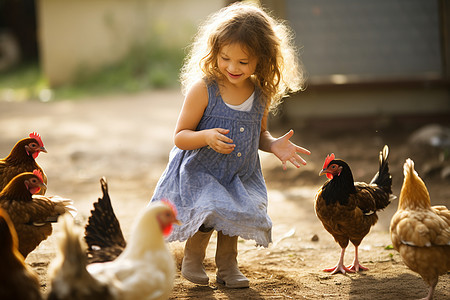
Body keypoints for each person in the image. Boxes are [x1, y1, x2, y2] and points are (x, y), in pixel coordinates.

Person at [149, 2, 310, 288]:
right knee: (212, 206)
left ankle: (227, 266)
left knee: (233, 213)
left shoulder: (261, 94)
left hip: (239, 173)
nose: (232, 68)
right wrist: (206, 136)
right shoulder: (204, 89)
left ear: (262, 59)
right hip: (201, 171)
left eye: (243, 62)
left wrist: (273, 145)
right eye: (225, 58)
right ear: (215, 52)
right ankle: (193, 258)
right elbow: (180, 135)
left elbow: (258, 135)